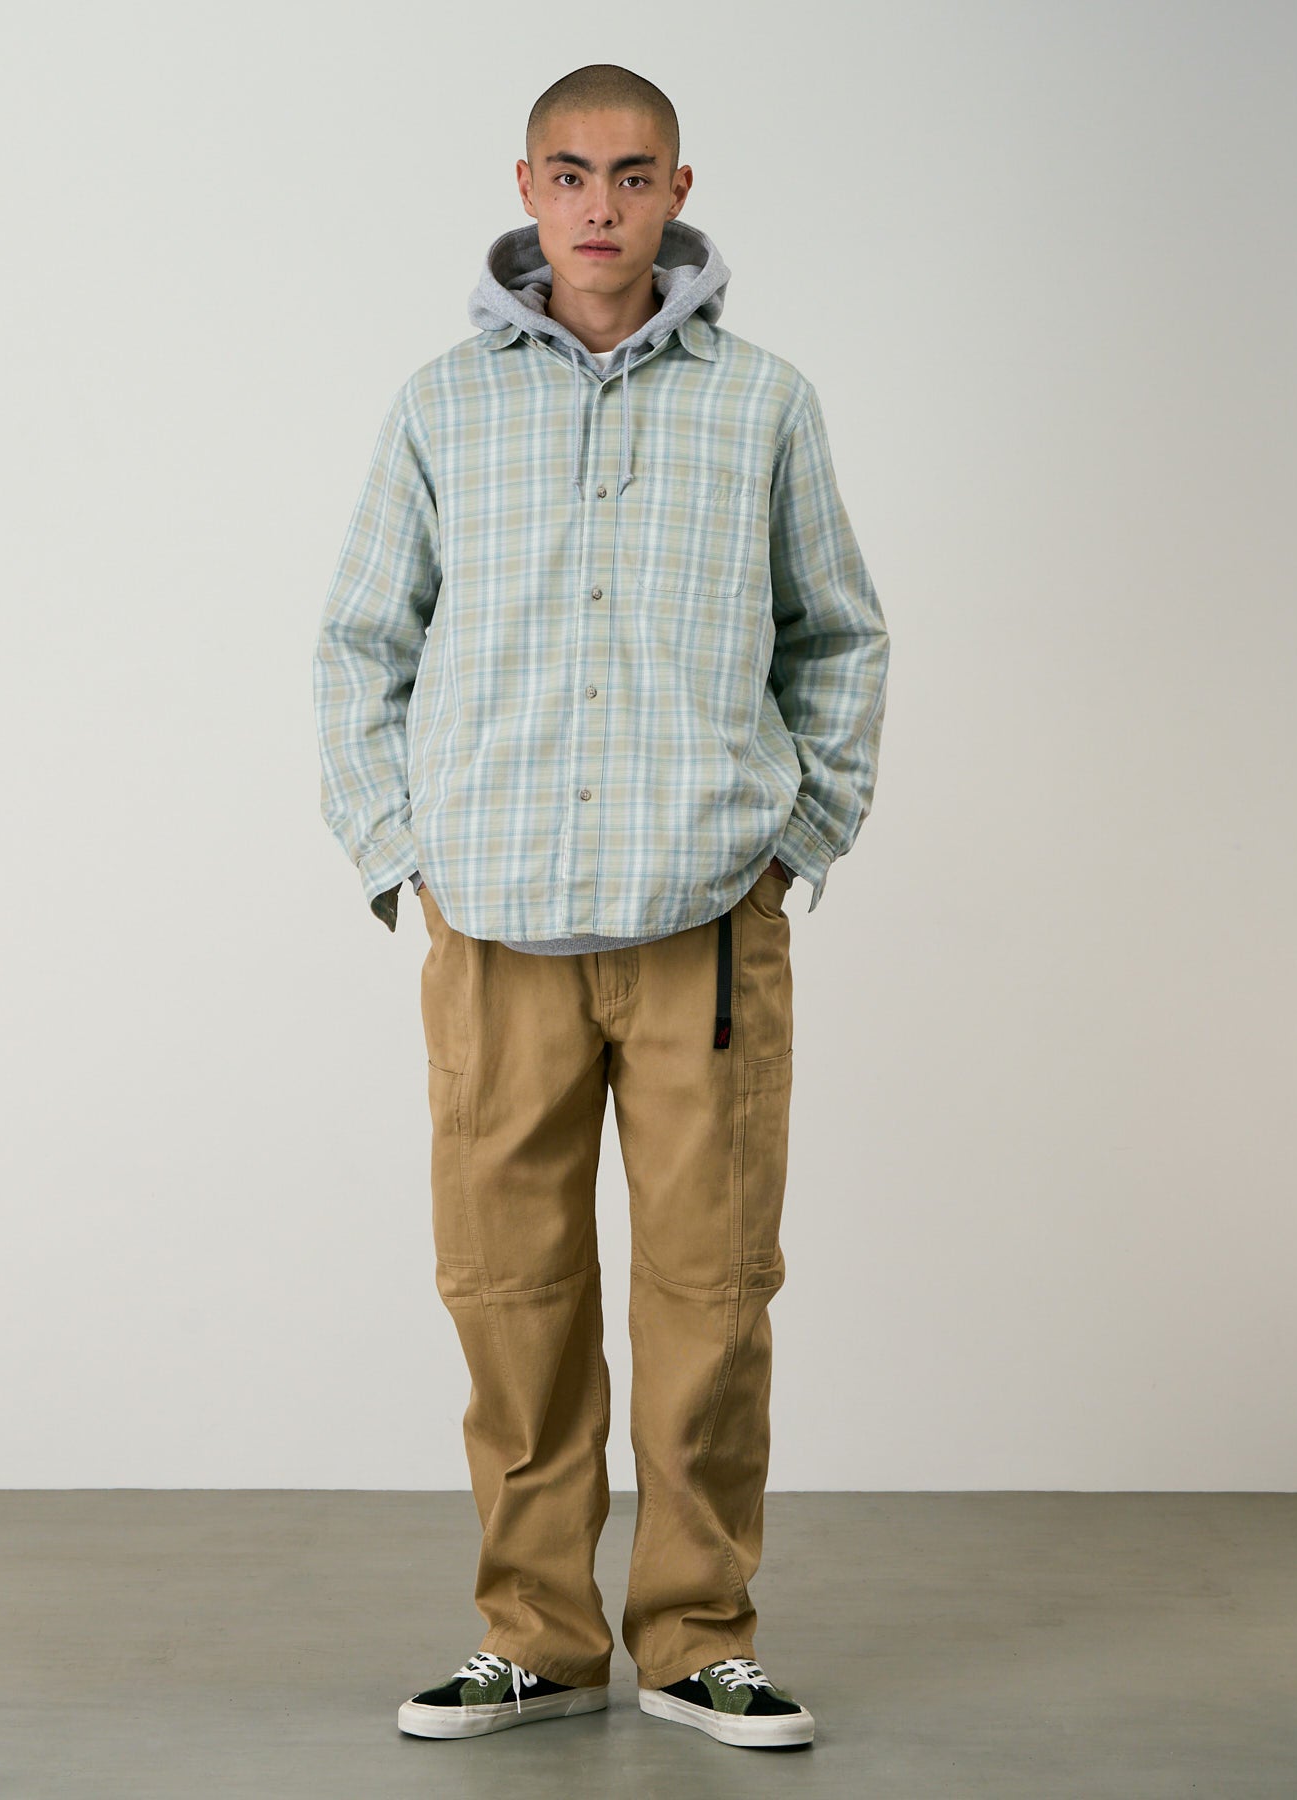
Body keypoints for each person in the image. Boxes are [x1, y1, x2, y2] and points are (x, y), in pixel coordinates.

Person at [311, 63, 888, 1752]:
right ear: (526, 186)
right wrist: (403, 855)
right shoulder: (443, 405)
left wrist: (797, 838)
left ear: (677, 191)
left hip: (707, 929)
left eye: (633, 176)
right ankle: (538, 1639)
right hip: (496, 931)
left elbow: (839, 633)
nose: (601, 206)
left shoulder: (763, 401)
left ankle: (701, 1635)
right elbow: (360, 644)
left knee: (712, 1293)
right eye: (570, 174)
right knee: (512, 1293)